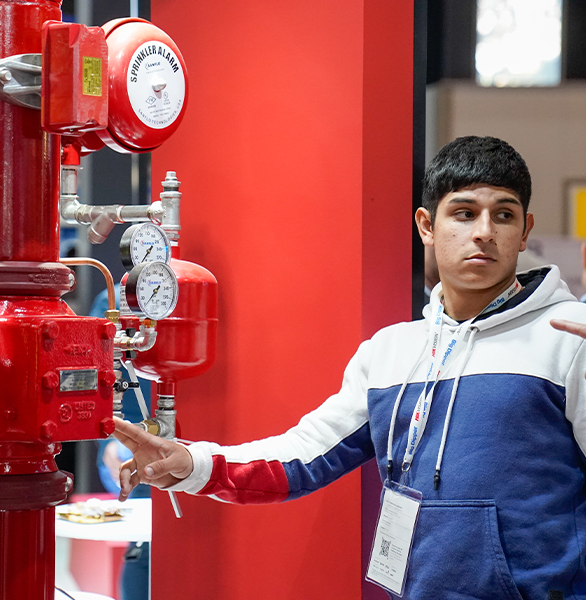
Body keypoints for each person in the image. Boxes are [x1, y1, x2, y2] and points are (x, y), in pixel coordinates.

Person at [112, 136, 586, 600]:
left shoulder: (569, 334)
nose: (484, 231)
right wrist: (193, 464)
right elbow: (305, 456)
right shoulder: (391, 351)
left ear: (524, 231)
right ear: (426, 225)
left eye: (503, 215)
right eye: (464, 213)